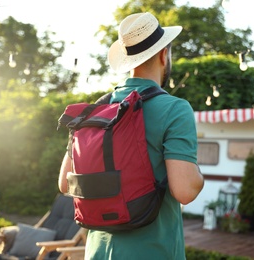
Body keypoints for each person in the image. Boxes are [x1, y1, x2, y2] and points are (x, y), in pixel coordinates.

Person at [58, 12, 204, 259]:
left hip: (97, 253)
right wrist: (198, 175)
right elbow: (185, 191)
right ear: (163, 54)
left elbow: (65, 184)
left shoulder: (98, 111)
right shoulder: (175, 109)